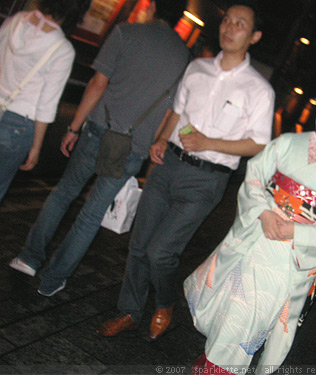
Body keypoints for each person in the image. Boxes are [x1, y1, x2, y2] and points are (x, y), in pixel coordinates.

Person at [96, 1, 275, 341]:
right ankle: (129, 312)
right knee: (139, 244)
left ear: (254, 36)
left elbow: (259, 144)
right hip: (168, 165)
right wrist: (162, 139)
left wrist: (211, 142)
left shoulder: (259, 90)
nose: (230, 27)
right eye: (227, 20)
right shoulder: (198, 68)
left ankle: (165, 303)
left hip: (206, 179)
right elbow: (177, 113)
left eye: (240, 24)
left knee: (160, 251)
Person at [184, 75, 316, 373]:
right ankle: (210, 365)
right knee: (231, 317)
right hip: (255, 239)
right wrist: (264, 211)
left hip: (286, 259)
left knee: (242, 323)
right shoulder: (287, 143)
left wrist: (294, 229)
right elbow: (255, 175)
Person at [9, 0, 191, 297]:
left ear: (154, 6)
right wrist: (150, 146)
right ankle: (53, 279)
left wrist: (73, 126)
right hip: (133, 147)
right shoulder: (184, 58)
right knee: (92, 215)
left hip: (97, 131)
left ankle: (29, 259)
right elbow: (174, 111)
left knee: (64, 193)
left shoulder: (126, 32)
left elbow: (97, 83)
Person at [0, 0, 90, 202]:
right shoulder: (62, 50)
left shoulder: (14, 21)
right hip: (18, 124)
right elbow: (46, 105)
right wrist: (36, 147)